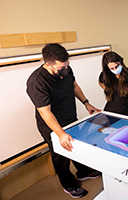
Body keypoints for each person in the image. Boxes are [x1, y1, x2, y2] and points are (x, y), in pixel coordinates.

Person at [26, 43, 101, 198]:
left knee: (77, 146)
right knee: (60, 155)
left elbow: (74, 86)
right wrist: (60, 134)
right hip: (52, 125)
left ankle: (83, 171)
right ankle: (68, 184)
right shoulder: (37, 82)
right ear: (47, 64)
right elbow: (45, 112)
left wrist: (86, 103)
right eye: (61, 68)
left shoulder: (66, 69)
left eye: (67, 65)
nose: (65, 70)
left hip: (70, 117)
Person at [99, 51, 128, 116]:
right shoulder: (105, 75)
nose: (115, 69)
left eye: (117, 66)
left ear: (120, 62)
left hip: (127, 113)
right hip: (109, 112)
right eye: (112, 68)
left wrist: (127, 100)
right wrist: (107, 89)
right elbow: (100, 82)